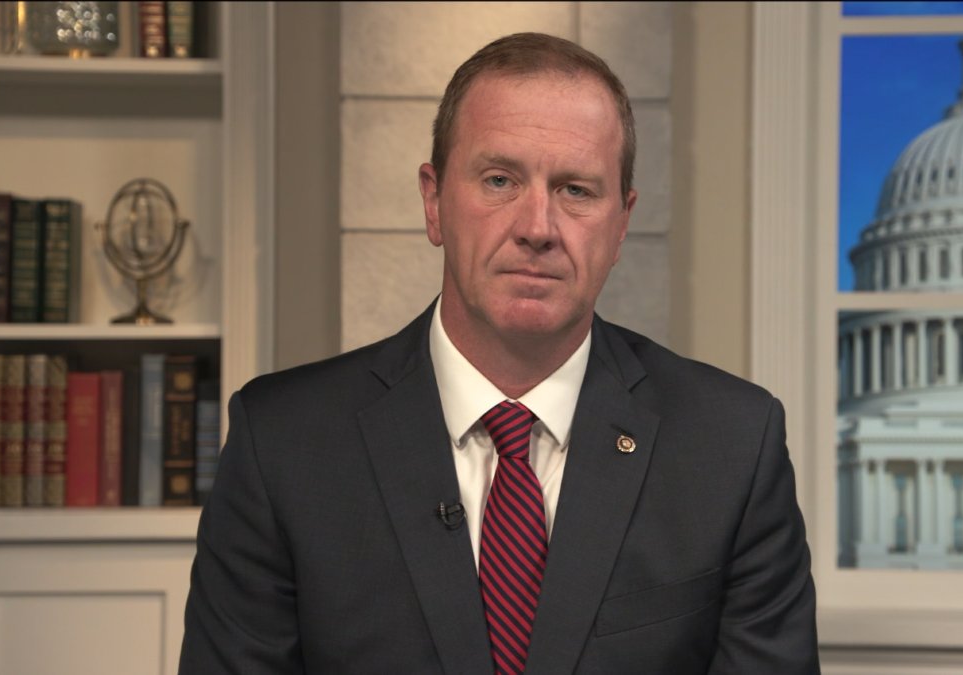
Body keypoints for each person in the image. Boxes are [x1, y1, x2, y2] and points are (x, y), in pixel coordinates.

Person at [179, 32, 819, 674]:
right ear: (434, 201)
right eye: (499, 180)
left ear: (622, 222)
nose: (537, 227)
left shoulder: (732, 447)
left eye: (576, 190)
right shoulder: (282, 444)